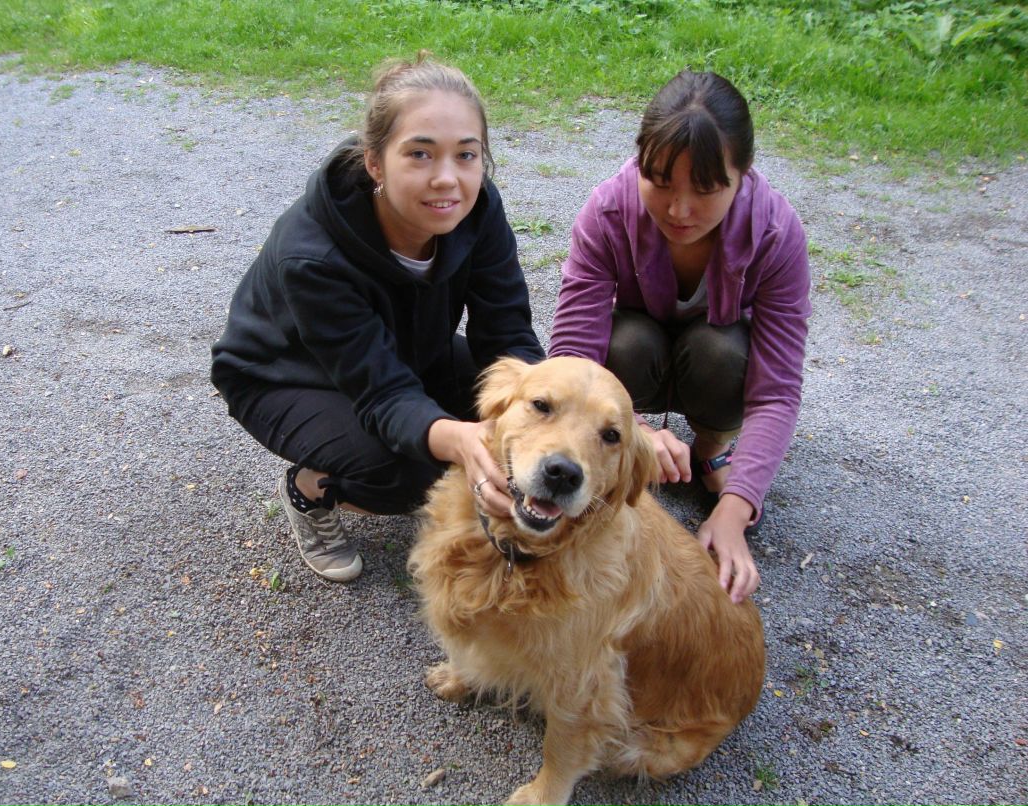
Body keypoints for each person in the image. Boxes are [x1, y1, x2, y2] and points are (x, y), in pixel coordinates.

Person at [211, 53, 544, 583]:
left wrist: (539, 413)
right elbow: (384, 394)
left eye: (466, 155)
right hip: (283, 376)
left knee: (504, 406)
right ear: (374, 162)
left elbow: (506, 334)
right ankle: (311, 489)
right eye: (419, 154)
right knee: (415, 471)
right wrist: (461, 440)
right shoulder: (311, 256)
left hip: (404, 352)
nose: (447, 179)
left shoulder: (477, 207)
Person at [548, 70, 811, 604]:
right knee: (624, 344)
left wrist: (738, 509)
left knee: (724, 349)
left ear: (743, 177)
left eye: (706, 189)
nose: (679, 209)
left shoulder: (778, 234)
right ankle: (614, 446)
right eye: (660, 181)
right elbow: (572, 358)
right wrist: (637, 432)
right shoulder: (606, 212)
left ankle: (713, 449)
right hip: (637, 359)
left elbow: (776, 390)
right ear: (639, 159)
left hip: (713, 360)